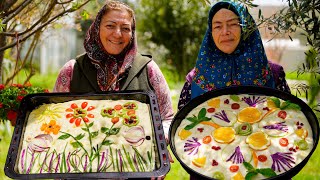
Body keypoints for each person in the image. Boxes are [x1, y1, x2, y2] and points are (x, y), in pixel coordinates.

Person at [53, 1, 174, 143]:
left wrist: (160, 141)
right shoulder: (72, 70)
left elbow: (167, 118)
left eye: (125, 28)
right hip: (84, 161)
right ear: (97, 28)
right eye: (110, 26)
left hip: (137, 162)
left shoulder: (148, 69)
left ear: (132, 32)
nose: (117, 34)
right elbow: (55, 117)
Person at [178, 0, 291, 111]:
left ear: (246, 28)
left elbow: (290, 118)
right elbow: (182, 124)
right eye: (218, 26)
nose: (225, 31)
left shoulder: (274, 75)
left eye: (233, 24)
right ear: (210, 33)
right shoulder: (194, 80)